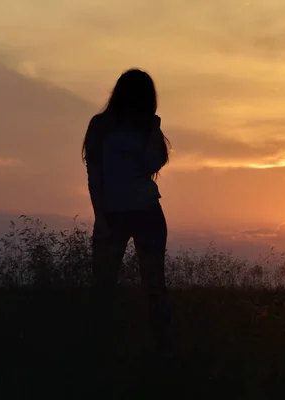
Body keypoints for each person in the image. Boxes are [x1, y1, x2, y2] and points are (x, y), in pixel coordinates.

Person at [82, 69, 172, 357]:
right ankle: (100, 348)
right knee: (104, 285)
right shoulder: (101, 126)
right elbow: (94, 175)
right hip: (113, 214)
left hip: (146, 212)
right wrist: (101, 216)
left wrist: (153, 128)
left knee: (154, 285)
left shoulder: (147, 128)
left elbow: (150, 165)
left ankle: (163, 350)